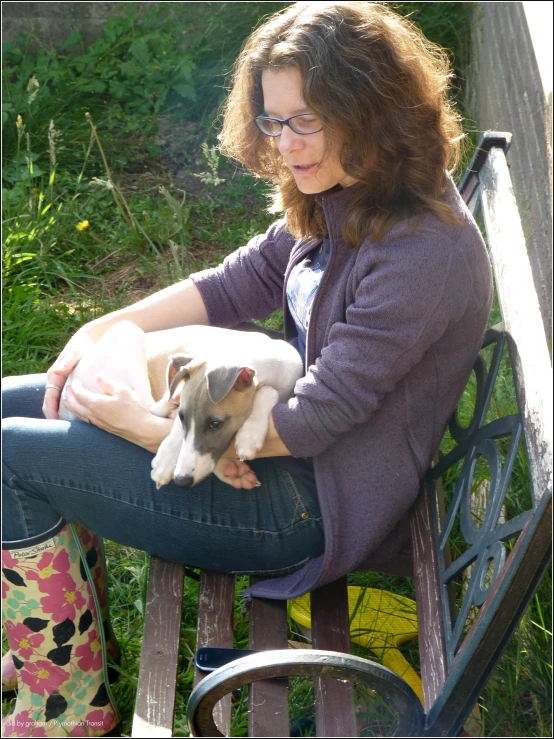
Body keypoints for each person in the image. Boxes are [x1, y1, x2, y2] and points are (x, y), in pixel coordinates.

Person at [2, 2, 493, 735]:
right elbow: (238, 282)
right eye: (273, 119)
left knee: (12, 449)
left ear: (370, 110)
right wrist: (103, 328)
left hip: (305, 506)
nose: (286, 144)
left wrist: (135, 423)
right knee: (20, 402)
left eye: (306, 119)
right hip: (261, 446)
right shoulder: (348, 190)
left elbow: (314, 418)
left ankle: (67, 704)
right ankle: (48, 631)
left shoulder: (420, 251)